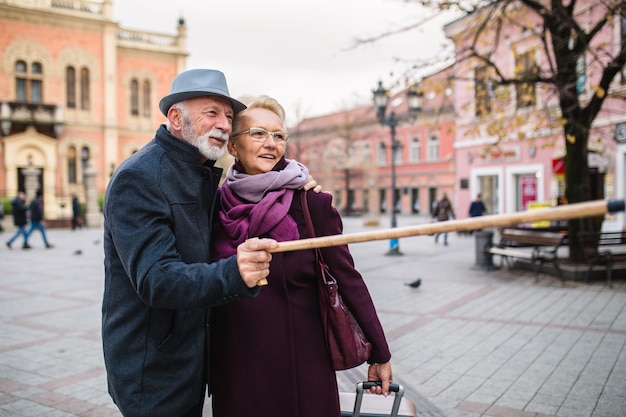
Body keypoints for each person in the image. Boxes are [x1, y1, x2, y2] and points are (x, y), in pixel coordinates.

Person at [101, 69, 318, 417]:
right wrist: (236, 272)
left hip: (191, 361)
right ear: (176, 118)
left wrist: (297, 184)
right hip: (152, 368)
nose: (223, 125)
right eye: (211, 114)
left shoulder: (200, 173)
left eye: (229, 117)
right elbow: (156, 279)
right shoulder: (138, 178)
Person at [209, 95, 392, 417]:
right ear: (233, 147)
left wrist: (380, 352)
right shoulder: (212, 205)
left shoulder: (312, 203)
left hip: (300, 364)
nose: (271, 144)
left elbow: (347, 277)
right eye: (258, 134)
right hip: (235, 363)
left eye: (279, 136)